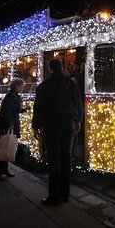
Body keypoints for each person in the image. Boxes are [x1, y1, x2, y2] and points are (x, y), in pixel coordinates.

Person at [32, 58, 83, 206]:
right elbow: (78, 103)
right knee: (66, 157)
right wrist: (78, 120)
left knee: (54, 159)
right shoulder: (71, 84)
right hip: (68, 123)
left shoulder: (43, 86)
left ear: (50, 68)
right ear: (61, 67)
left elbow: (39, 108)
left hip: (52, 124)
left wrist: (36, 126)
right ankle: (65, 194)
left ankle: (54, 196)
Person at [0, 78, 28, 180]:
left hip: (12, 124)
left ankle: (4, 170)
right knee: (5, 147)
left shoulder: (13, 96)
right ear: (17, 86)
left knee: (8, 147)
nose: (22, 88)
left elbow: (13, 110)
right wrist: (10, 124)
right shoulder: (11, 97)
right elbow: (7, 111)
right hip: (9, 125)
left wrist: (24, 110)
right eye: (22, 86)